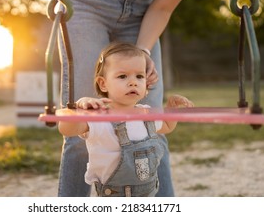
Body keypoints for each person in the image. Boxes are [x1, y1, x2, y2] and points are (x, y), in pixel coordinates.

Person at [57, 0, 264, 197]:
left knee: (151, 125)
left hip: (142, 6)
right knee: (85, 120)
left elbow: (162, 7)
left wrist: (143, 52)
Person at [58, 42, 194, 197]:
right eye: (122, 76)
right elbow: (67, 129)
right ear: (103, 84)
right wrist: (78, 109)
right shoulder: (98, 117)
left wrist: (171, 109)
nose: (133, 82)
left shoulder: (146, 114)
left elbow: (167, 127)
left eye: (139, 76)